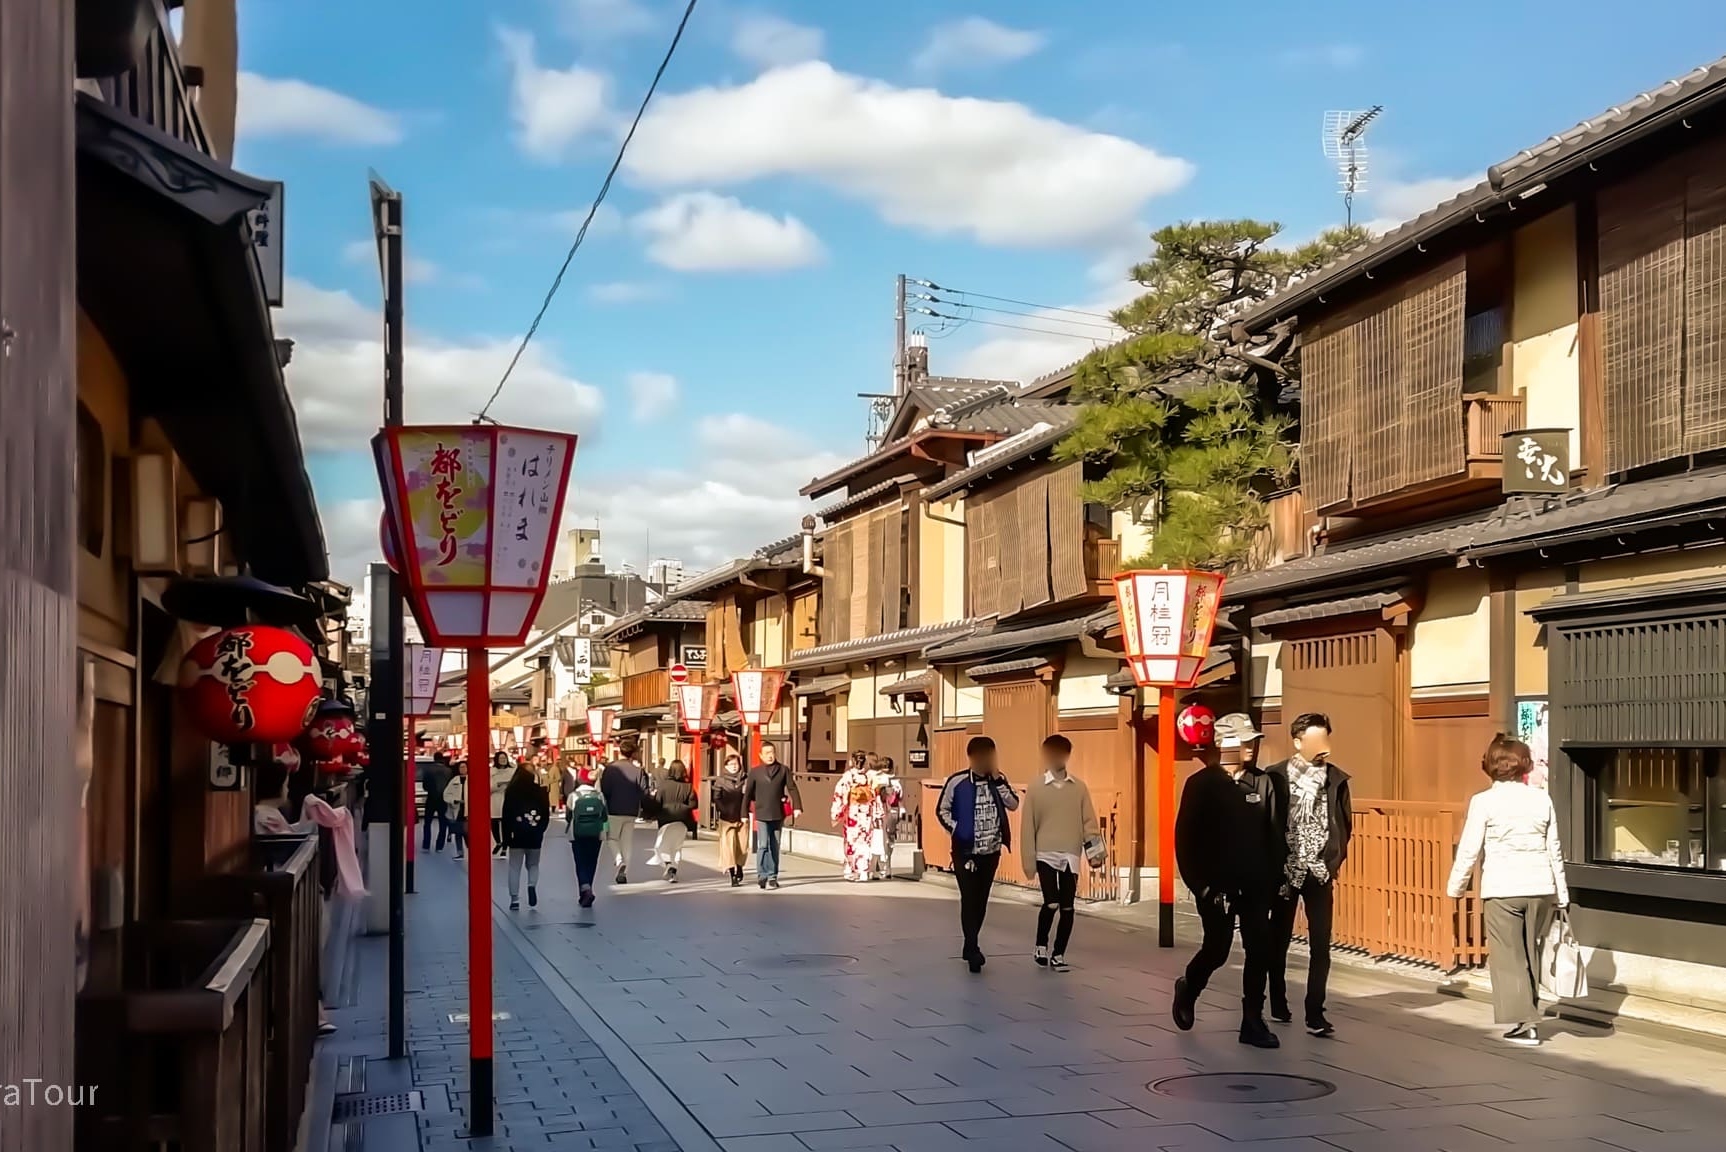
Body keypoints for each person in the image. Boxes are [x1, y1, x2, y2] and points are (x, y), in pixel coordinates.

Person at [1447, 734, 1569, 1047]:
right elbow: (1554, 848)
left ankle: (1526, 1024)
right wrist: (1561, 894)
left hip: (1503, 888)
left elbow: (1469, 849)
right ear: (1524, 764)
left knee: (1509, 958)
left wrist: (1456, 887)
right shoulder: (1541, 799)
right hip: (1541, 887)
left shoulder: (1484, 801)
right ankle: (1528, 1017)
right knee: (1530, 953)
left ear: (1489, 765)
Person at [1171, 725, 1285, 1049]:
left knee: (1259, 950)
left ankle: (1252, 1020)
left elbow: (1275, 833)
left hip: (1256, 884)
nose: (1251, 746)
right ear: (1223, 744)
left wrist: (1277, 880)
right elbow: (1185, 839)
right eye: (1244, 740)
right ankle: (1189, 987)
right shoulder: (1201, 784)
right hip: (1216, 886)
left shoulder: (1263, 783)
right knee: (1217, 948)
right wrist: (1200, 886)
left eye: (1253, 741)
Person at [1262, 712, 1353, 1038]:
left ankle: (1315, 1012)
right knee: (1278, 940)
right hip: (1285, 869)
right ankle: (1277, 1001)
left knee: (1320, 945)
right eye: (1314, 738)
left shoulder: (1335, 779)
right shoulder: (1275, 777)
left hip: (1319, 870)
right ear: (1298, 742)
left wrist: (1333, 860)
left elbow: (1345, 824)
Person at [253, 762, 337, 1036]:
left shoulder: (268, 814)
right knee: (304, 953)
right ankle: (312, 1012)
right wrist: (309, 819)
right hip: (283, 893)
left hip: (281, 891)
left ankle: (314, 1010)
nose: (288, 789)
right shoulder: (264, 815)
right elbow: (291, 845)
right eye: (286, 783)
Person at [936, 736, 1020, 974]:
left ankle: (969, 943)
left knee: (981, 900)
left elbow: (1013, 804)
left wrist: (999, 780)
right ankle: (973, 948)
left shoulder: (998, 781)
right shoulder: (957, 781)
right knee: (969, 897)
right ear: (971, 758)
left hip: (991, 851)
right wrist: (958, 829)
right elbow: (941, 809)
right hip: (965, 852)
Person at [1019, 734, 1102, 973]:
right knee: (1051, 902)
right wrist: (1029, 861)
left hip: (1070, 854)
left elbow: (1089, 822)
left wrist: (1095, 853)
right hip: (1045, 853)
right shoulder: (1036, 788)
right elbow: (1028, 827)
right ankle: (1040, 946)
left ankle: (1059, 953)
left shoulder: (1079, 788)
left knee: (1067, 907)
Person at [744, 741, 801, 890]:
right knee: (763, 844)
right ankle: (762, 875)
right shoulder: (755, 772)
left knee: (775, 844)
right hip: (762, 812)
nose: (770, 756)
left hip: (777, 812)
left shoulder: (783, 770)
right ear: (761, 755)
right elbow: (748, 793)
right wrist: (744, 813)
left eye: (772, 752)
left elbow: (792, 788)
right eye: (767, 753)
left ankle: (772, 876)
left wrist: (797, 806)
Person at [831, 752, 888, 883]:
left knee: (852, 842)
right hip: (866, 813)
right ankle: (863, 872)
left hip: (853, 813)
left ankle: (851, 870)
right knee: (865, 842)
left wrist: (837, 813)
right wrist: (878, 813)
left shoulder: (848, 776)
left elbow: (840, 794)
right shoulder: (869, 777)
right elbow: (876, 796)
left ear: (852, 761)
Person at [502, 762, 551, 910]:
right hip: (535, 833)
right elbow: (546, 814)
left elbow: (506, 816)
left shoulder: (511, 791)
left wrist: (506, 837)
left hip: (516, 835)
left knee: (514, 867)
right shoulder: (540, 791)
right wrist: (541, 830)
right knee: (533, 865)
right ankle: (531, 885)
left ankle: (514, 899)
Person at [600, 739, 650, 884]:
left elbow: (605, 790)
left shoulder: (610, 769)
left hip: (614, 810)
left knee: (611, 837)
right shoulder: (638, 771)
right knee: (627, 842)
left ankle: (618, 859)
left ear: (620, 751)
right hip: (632, 811)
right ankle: (624, 873)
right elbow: (644, 791)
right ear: (633, 753)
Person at [648, 760, 697, 881]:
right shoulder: (688, 787)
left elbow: (656, 804)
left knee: (661, 846)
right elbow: (694, 804)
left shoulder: (663, 786)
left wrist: (652, 814)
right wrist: (682, 807)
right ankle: (673, 869)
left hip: (665, 820)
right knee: (677, 846)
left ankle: (669, 865)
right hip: (683, 820)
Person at [568, 768, 609, 908]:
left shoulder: (574, 795)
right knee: (592, 861)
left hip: (577, 834)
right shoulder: (599, 795)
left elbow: (568, 816)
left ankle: (585, 888)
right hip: (596, 833)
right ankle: (588, 888)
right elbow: (604, 816)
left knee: (580, 862)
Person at [712, 748, 751, 886]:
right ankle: (732, 874)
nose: (734, 766)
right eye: (731, 764)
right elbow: (716, 798)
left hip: (742, 817)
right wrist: (723, 810)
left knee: (742, 845)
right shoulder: (720, 780)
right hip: (726, 818)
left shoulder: (746, 779)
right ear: (725, 766)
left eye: (736, 764)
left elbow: (750, 796)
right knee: (728, 847)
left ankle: (740, 867)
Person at [872, 756, 904, 880]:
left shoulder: (876, 779)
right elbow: (900, 796)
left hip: (878, 812)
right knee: (889, 840)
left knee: (878, 839)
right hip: (893, 811)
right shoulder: (896, 781)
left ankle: (877, 868)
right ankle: (888, 868)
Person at [421, 753, 453, 853]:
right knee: (443, 824)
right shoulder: (448, 771)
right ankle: (439, 846)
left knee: (427, 823)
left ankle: (426, 845)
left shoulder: (428, 770)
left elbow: (424, 786)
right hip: (443, 799)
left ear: (434, 758)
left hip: (431, 798)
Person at [489, 752, 513, 858]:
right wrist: (498, 785)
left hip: (508, 799)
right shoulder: (491, 771)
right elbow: (488, 786)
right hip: (495, 798)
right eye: (501, 758)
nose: (503, 760)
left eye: (504, 758)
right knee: (494, 823)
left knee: (506, 825)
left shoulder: (512, 770)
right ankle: (498, 842)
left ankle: (504, 847)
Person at [443, 760, 469, 859]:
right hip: (457, 810)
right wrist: (454, 800)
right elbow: (446, 794)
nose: (463, 769)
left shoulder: (471, 779)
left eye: (464, 767)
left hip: (468, 810)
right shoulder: (454, 780)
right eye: (461, 767)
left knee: (467, 832)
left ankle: (471, 850)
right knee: (458, 832)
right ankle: (460, 852)